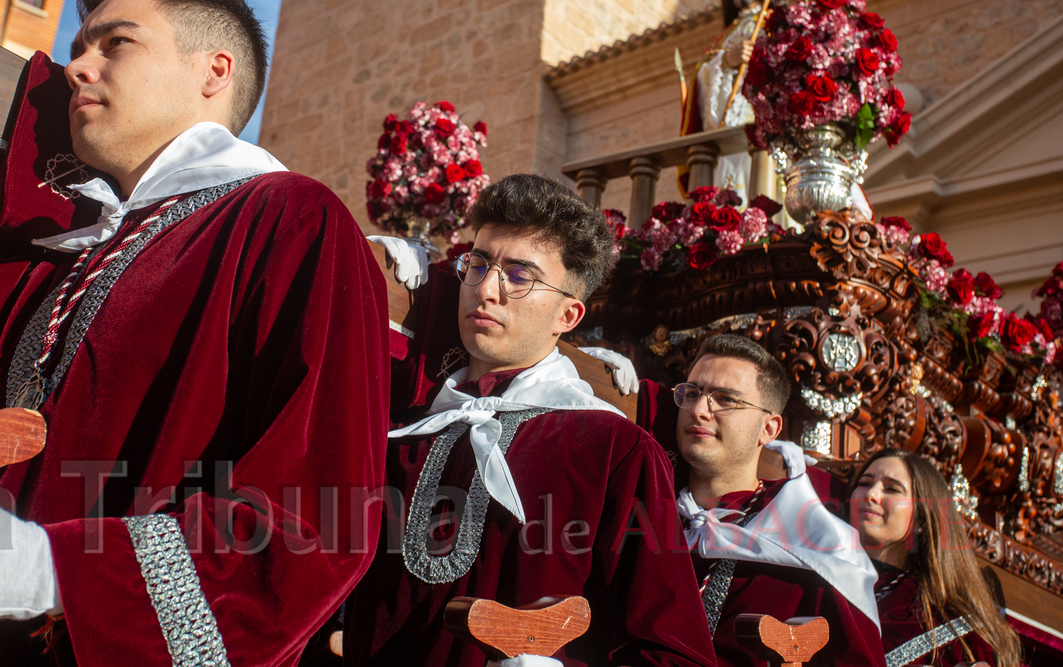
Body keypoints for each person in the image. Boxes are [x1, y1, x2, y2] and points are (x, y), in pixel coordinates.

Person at [0, 0, 391, 667]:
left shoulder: (290, 219)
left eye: (115, 44)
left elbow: (316, 522)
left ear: (214, 71)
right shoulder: (63, 246)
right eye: (80, 46)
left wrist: (52, 570)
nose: (78, 66)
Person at [347, 175, 717, 667]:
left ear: (568, 315)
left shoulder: (614, 450)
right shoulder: (400, 433)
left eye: (520, 275)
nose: (487, 289)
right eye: (477, 265)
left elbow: (672, 652)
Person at [636, 334, 884, 667]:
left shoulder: (821, 543)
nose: (699, 410)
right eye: (691, 393)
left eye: (725, 399)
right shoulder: (642, 507)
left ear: (768, 429)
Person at [849, 448, 1021, 667]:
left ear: (922, 519)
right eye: (864, 483)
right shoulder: (815, 578)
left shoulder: (956, 631)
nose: (871, 494)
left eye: (891, 488)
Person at [677, 0, 774, 202]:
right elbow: (702, 73)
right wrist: (726, 61)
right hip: (728, 132)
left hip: (764, 128)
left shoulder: (776, 21)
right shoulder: (725, 36)